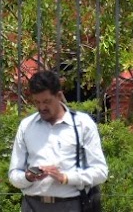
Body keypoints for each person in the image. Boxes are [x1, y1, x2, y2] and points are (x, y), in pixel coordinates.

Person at [9, 70, 108, 211]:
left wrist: (66, 178)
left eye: (47, 101)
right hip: (32, 205)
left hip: (72, 205)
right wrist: (28, 176)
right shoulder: (26, 126)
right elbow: (14, 174)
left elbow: (101, 172)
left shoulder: (82, 124)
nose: (42, 107)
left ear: (59, 96)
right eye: (37, 102)